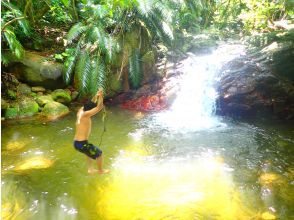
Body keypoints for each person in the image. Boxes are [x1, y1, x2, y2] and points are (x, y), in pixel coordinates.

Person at [73, 89, 109, 174]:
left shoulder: (80, 111)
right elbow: (99, 107)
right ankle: (101, 171)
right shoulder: (86, 115)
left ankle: (90, 169)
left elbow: (90, 103)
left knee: (88, 153)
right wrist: (101, 97)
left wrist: (97, 95)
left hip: (77, 143)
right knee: (99, 153)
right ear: (89, 111)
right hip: (82, 144)